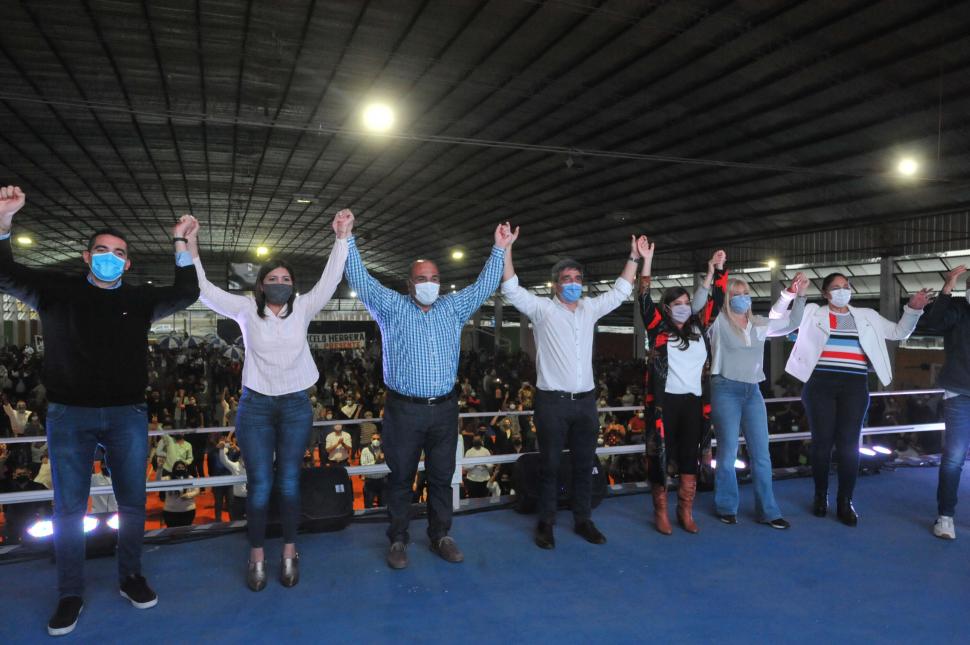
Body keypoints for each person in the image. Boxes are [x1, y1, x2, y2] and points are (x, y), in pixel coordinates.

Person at [0, 186, 199, 636]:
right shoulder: (55, 293)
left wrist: (182, 242)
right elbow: (4, 272)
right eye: (102, 251)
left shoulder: (137, 301)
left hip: (127, 413)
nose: (110, 257)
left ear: (127, 264)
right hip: (70, 415)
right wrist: (4, 222)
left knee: (131, 503)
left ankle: (131, 576)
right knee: (68, 509)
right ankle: (70, 592)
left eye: (119, 253)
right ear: (87, 258)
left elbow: (187, 292)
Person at [187, 209, 350, 591]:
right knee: (259, 485)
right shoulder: (246, 310)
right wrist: (191, 248)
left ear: (293, 286)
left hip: (295, 404)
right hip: (256, 406)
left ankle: (290, 552)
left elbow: (331, 278)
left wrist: (341, 238)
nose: (280, 283)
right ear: (260, 286)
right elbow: (205, 290)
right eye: (272, 278)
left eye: (286, 279)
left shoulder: (304, 308)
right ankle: (257, 556)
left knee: (290, 483)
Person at [345, 213, 511, 569]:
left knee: (440, 475)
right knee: (401, 477)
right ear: (409, 284)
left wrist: (499, 249)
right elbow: (361, 277)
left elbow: (483, 287)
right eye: (422, 279)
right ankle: (399, 539)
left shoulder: (451, 308)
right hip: (404, 409)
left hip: (444, 409)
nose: (429, 284)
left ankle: (441, 535)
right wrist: (347, 239)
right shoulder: (392, 308)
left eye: (435, 278)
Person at [501, 224, 636, 548]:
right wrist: (506, 249)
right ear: (555, 285)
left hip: (586, 402)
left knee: (584, 464)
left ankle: (582, 519)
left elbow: (620, 291)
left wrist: (634, 257)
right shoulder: (543, 310)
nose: (573, 284)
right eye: (566, 279)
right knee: (549, 465)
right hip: (552, 402)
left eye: (577, 279)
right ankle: (546, 522)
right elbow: (511, 289)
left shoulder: (590, 309)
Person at [786, 272, 929, 526]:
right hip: (820, 383)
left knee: (849, 445)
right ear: (825, 294)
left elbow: (898, 332)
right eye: (836, 287)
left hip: (854, 385)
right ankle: (820, 495)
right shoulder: (812, 312)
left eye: (846, 286)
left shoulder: (867, 316)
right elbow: (789, 322)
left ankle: (845, 501)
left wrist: (913, 310)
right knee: (821, 444)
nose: (843, 290)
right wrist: (799, 294)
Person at [706, 264, 809, 528]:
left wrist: (800, 295)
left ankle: (769, 510)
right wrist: (715, 272)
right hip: (725, 388)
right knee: (727, 453)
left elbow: (793, 322)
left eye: (746, 292)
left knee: (762, 454)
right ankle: (727, 506)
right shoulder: (716, 322)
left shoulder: (759, 323)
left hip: (753, 391)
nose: (743, 297)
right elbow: (703, 303)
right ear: (727, 298)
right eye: (736, 293)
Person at [638, 239, 719, 535]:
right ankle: (661, 511)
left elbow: (716, 300)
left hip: (695, 403)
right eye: (678, 304)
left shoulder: (700, 328)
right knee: (659, 455)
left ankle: (685, 509)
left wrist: (715, 270)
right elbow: (643, 297)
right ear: (667, 308)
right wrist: (647, 260)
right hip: (664, 402)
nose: (684, 308)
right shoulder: (658, 330)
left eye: (687, 303)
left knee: (690, 455)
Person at [921, 265, 970, 539]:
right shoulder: (958, 310)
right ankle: (945, 517)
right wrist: (947, 287)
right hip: (959, 392)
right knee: (954, 457)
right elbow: (934, 322)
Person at [160, 461, 198, 527]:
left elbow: (197, 491)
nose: (181, 469)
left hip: (187, 511)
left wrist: (188, 495)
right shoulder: (168, 479)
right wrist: (159, 469)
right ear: (174, 469)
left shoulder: (190, 478)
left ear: (186, 469)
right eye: (178, 467)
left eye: (182, 467)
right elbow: (157, 481)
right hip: (170, 512)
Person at [359, 433, 387, 508]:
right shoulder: (365, 450)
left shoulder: (385, 450)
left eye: (378, 439)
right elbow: (363, 465)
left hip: (382, 480)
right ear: (371, 440)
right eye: (374, 439)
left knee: (383, 505)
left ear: (381, 441)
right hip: (370, 481)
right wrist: (377, 461)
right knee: (368, 504)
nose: (376, 441)